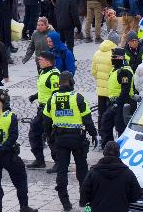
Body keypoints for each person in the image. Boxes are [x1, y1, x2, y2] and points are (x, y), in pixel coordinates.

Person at [43, 72, 98, 212]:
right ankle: (84, 201)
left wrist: (49, 137)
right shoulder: (77, 98)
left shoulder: (52, 99)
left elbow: (46, 120)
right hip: (77, 139)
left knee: (62, 170)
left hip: (60, 140)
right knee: (82, 169)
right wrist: (94, 134)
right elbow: (87, 119)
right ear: (72, 83)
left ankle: (65, 203)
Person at [0, 91, 36, 212]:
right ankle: (24, 206)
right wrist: (2, 149)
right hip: (8, 156)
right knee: (20, 179)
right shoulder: (10, 116)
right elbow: (13, 136)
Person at [82, 141, 142, 212]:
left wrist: (88, 207)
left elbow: (84, 194)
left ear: (104, 153)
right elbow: (136, 195)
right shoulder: (128, 173)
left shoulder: (93, 172)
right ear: (119, 154)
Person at [26, 51, 59, 170]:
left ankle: (58, 162)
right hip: (42, 108)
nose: (38, 61)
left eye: (41, 59)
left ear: (48, 62)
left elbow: (56, 93)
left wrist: (49, 108)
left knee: (50, 135)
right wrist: (35, 96)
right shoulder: (43, 72)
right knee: (35, 133)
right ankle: (39, 160)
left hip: (49, 110)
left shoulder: (54, 75)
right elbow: (45, 88)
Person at [100, 49, 136, 146]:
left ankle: (122, 147)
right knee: (105, 123)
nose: (112, 59)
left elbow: (125, 90)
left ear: (120, 58)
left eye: (114, 57)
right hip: (113, 103)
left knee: (120, 127)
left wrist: (117, 104)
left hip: (122, 104)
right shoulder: (115, 70)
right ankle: (108, 146)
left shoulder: (124, 71)